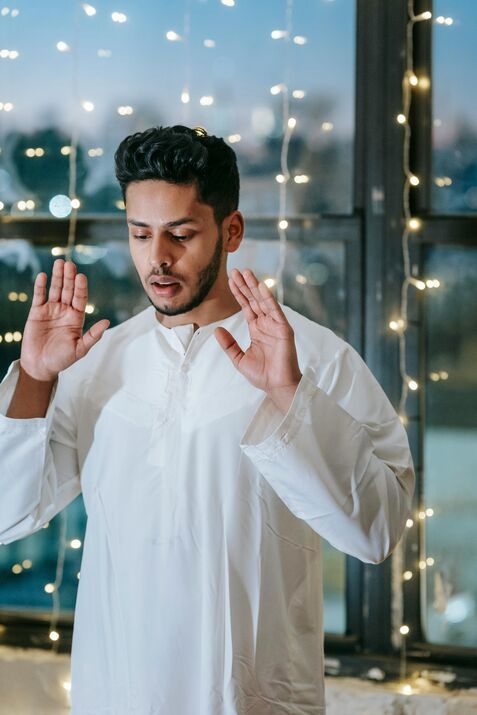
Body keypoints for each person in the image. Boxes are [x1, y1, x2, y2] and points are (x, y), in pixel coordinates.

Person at [0, 125, 414, 715]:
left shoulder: (314, 357)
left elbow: (377, 533)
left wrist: (290, 396)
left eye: (181, 234)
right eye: (140, 234)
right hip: (117, 694)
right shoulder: (99, 364)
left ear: (232, 231)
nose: (157, 258)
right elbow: (6, 516)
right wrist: (37, 378)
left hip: (252, 698)